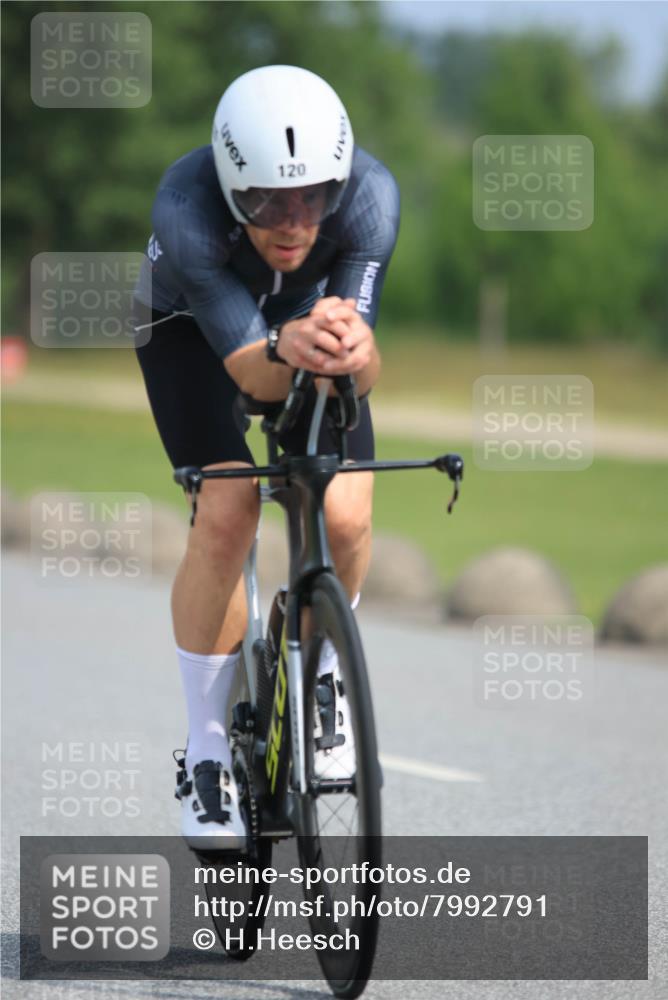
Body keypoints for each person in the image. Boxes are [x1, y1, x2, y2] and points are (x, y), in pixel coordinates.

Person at [132, 65, 400, 849]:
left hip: (302, 326)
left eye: (312, 197)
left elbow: (364, 370)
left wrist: (356, 350)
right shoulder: (186, 210)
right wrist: (285, 341)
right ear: (228, 185)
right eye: (265, 204)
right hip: (190, 329)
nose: (291, 223)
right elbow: (251, 372)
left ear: (339, 182)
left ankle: (325, 677)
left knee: (344, 511)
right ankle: (209, 749)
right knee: (227, 508)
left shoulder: (373, 200)